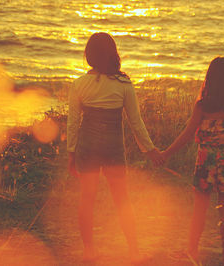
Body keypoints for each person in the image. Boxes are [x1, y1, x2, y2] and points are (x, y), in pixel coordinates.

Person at [67, 32, 162, 264]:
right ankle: (134, 252)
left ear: (88, 55)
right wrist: (151, 150)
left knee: (87, 199)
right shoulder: (123, 84)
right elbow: (136, 123)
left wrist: (72, 154)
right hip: (113, 148)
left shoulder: (79, 84)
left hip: (88, 147)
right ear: (113, 54)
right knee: (122, 199)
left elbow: (72, 124)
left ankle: (89, 251)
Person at [162, 56, 224, 265]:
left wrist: (166, 153)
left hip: (206, 159)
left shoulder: (203, 106)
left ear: (209, 79)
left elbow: (188, 133)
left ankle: (192, 251)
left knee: (199, 209)